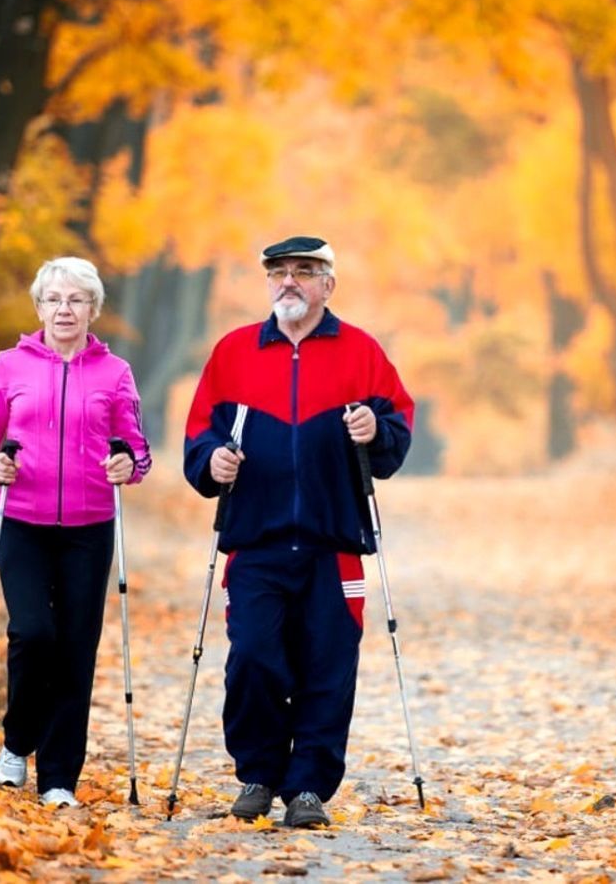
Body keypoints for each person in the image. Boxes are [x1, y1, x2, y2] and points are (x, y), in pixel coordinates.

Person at [183, 235, 413, 828]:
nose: (290, 282)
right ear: (268, 283)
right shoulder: (234, 351)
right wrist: (211, 461)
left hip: (333, 544)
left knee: (328, 667)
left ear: (327, 284)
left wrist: (374, 429)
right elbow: (199, 434)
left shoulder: (361, 352)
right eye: (279, 272)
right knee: (254, 659)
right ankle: (258, 775)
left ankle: (308, 787)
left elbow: (396, 431)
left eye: (304, 272)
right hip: (255, 542)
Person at [0, 256, 151, 807]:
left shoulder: (114, 373)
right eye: (54, 299)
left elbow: (137, 448)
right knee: (33, 634)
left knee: (75, 648)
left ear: (94, 309)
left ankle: (60, 778)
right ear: (39, 306)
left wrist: (128, 466)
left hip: (90, 528)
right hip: (21, 520)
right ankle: (18, 743)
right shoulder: (8, 366)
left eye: (76, 300)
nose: (64, 309)